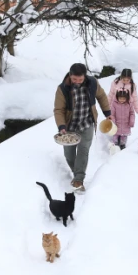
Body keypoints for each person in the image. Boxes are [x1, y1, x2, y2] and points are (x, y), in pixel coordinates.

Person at [54, 63, 111, 192]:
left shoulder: (92, 83)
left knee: (83, 151)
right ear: (70, 75)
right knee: (69, 155)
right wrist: (61, 126)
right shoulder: (62, 89)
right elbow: (58, 109)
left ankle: (79, 179)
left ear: (85, 76)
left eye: (80, 79)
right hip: (70, 127)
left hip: (87, 124)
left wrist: (108, 113)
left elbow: (101, 96)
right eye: (75, 79)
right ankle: (77, 173)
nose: (78, 82)